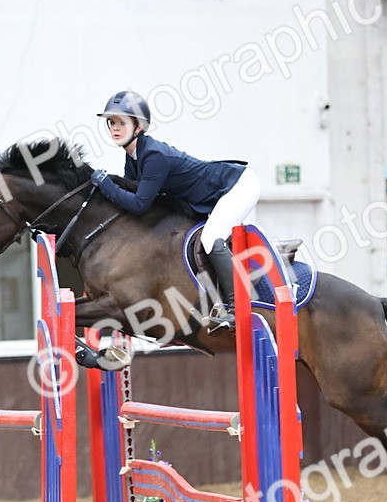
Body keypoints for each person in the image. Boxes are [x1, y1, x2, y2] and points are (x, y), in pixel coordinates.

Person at [89, 90, 261, 333]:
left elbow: (139, 204)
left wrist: (106, 184)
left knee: (212, 239)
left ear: (138, 127)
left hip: (237, 186)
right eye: (112, 123)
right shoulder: (133, 157)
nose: (115, 128)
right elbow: (130, 203)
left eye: (122, 123)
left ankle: (236, 309)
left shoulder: (153, 155)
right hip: (214, 194)